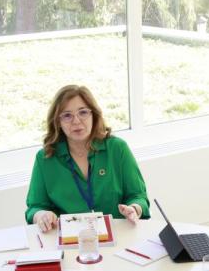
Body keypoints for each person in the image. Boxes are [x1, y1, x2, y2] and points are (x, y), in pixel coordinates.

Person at [25, 85, 150, 231]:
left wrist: (134, 209)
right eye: (67, 115)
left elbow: (138, 196)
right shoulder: (45, 158)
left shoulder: (117, 148)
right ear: (58, 122)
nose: (76, 121)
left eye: (83, 112)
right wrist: (41, 215)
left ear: (94, 115)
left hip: (118, 235)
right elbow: (35, 207)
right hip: (69, 239)